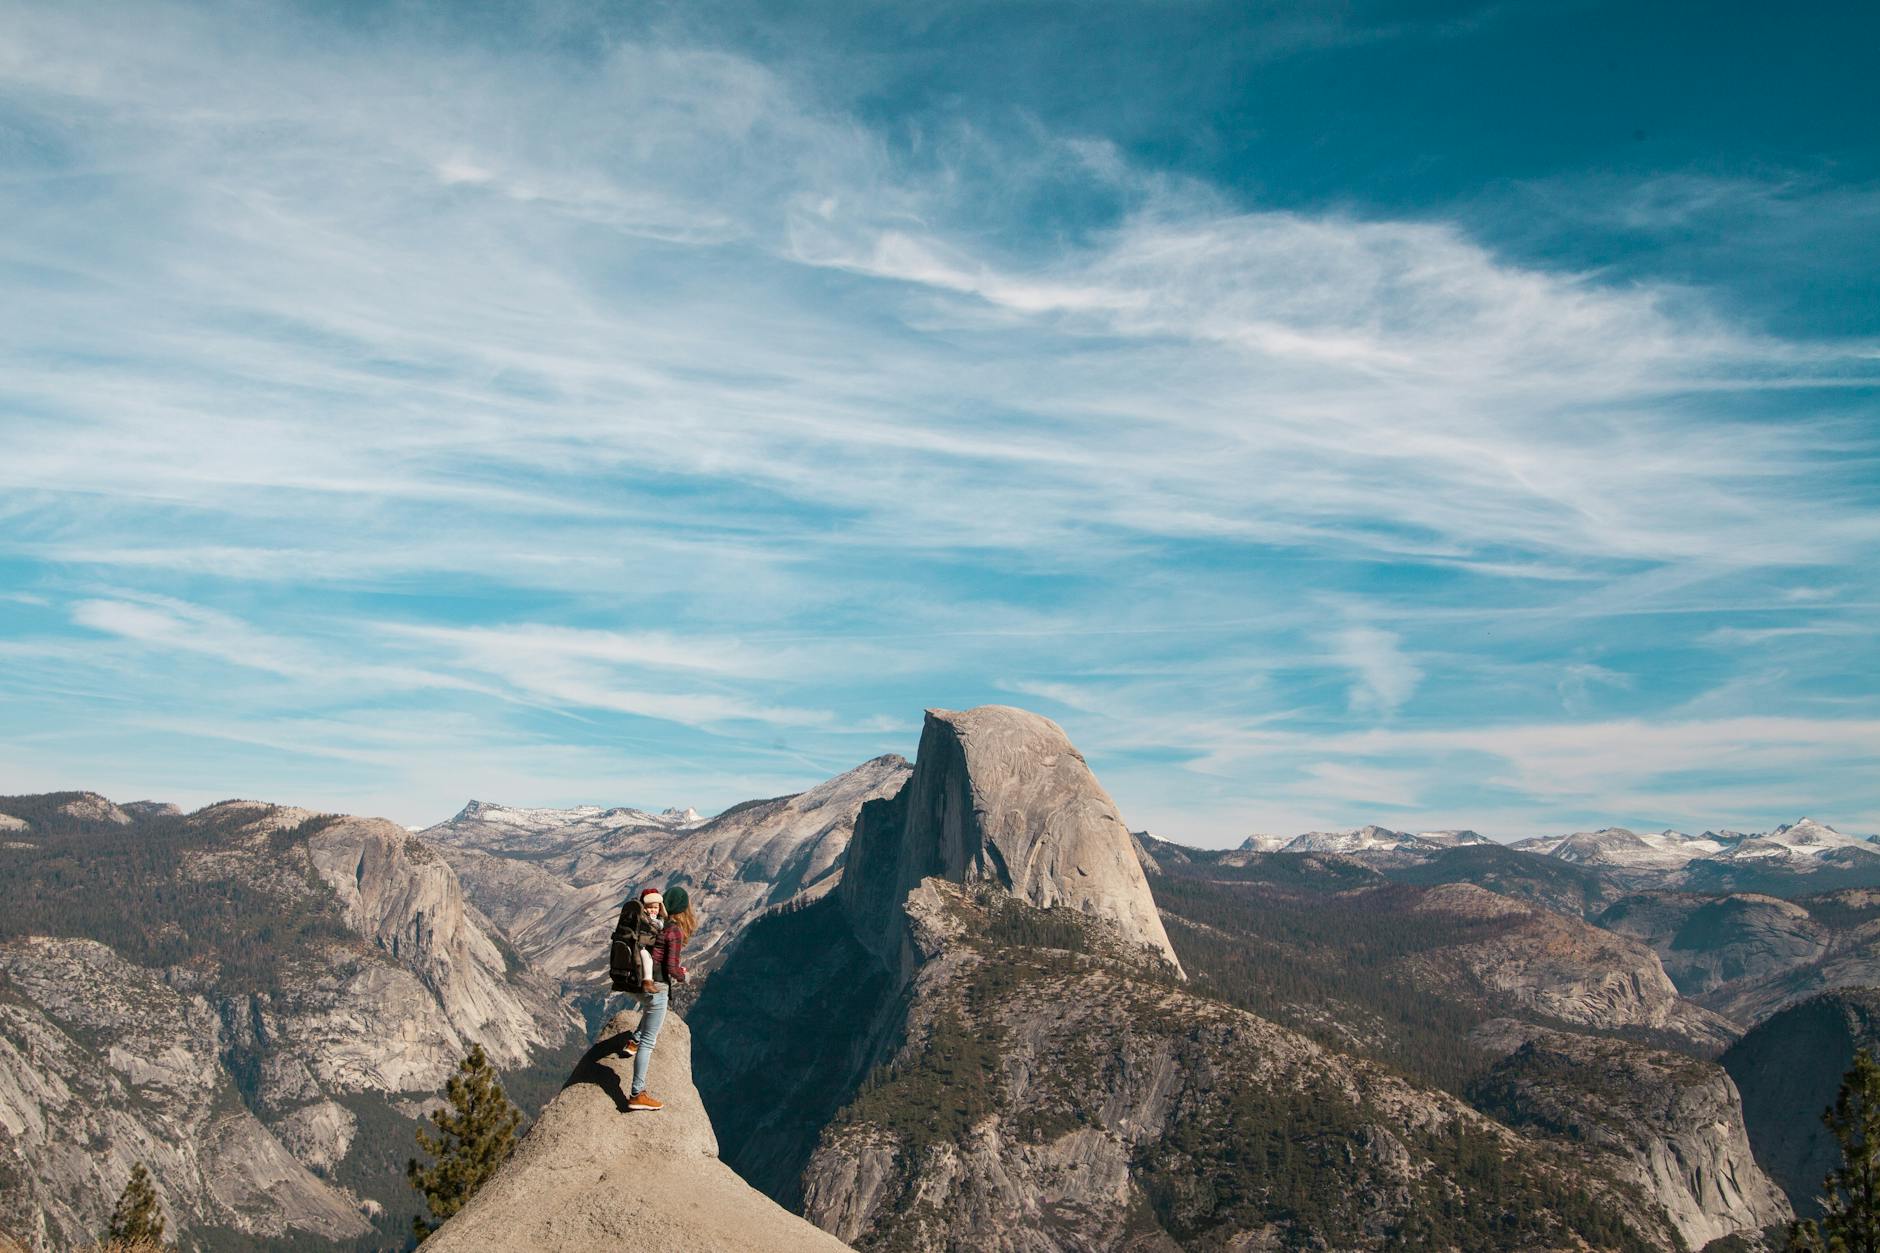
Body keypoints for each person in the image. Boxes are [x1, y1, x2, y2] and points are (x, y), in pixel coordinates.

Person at [622, 885, 697, 1112]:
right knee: (649, 1042)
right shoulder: (673, 931)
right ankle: (637, 1093)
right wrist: (683, 976)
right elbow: (672, 968)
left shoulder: (658, 926)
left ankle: (632, 1041)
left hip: (640, 982)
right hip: (658, 987)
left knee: (648, 1014)